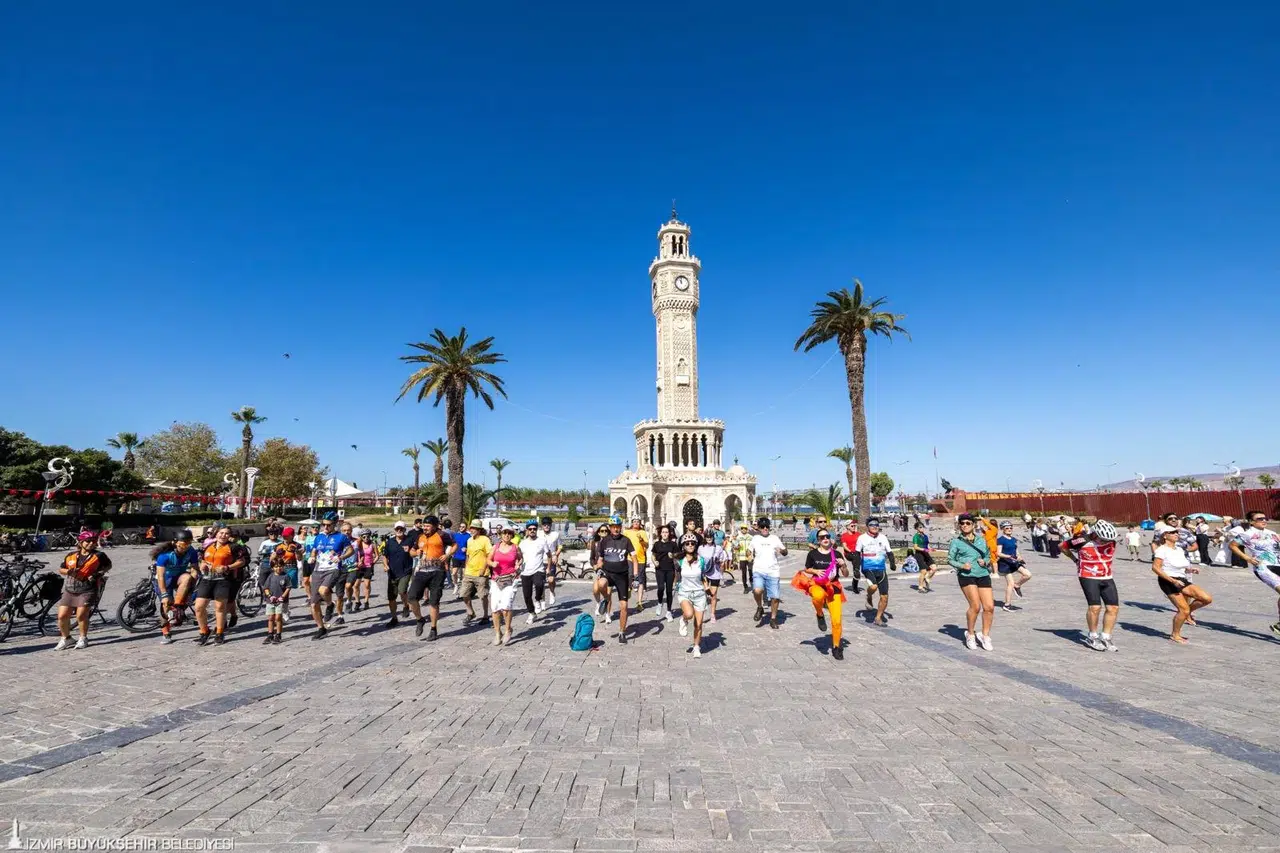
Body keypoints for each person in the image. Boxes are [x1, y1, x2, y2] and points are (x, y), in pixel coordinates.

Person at [1062, 520, 1121, 652]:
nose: (1106, 542)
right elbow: (1063, 546)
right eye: (1103, 539)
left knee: (1113, 608)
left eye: (1108, 540)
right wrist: (1075, 560)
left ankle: (1106, 637)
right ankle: (1092, 636)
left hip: (1107, 576)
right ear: (1095, 534)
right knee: (1095, 607)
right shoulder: (1081, 540)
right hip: (1088, 576)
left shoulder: (1112, 541)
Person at [1152, 528, 1213, 644]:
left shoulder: (1179, 549)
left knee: (1206, 598)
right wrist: (1172, 580)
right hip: (1168, 581)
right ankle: (1175, 635)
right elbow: (1155, 568)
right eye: (1173, 533)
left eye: (1177, 532)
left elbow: (1179, 565)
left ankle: (1187, 612)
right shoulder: (1161, 550)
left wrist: (1190, 570)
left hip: (1182, 579)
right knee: (1183, 610)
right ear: (1165, 536)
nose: (1176, 534)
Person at [54, 531, 113, 650]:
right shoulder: (71, 555)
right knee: (62, 616)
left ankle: (83, 638)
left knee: (81, 616)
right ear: (81, 542)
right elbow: (61, 569)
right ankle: (66, 638)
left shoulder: (99, 555)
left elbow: (108, 565)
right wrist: (69, 572)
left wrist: (99, 573)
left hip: (87, 589)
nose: (91, 544)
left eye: (94, 541)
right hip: (70, 589)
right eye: (88, 541)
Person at [947, 513, 994, 651]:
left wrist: (984, 561)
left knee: (989, 607)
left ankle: (985, 635)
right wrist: (962, 565)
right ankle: (971, 634)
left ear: (973, 525)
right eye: (962, 523)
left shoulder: (981, 540)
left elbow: (988, 555)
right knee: (975, 606)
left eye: (968, 523)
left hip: (983, 574)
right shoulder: (956, 542)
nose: (965, 525)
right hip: (966, 575)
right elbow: (950, 559)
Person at [1229, 510, 1280, 635]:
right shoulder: (1247, 534)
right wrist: (1247, 558)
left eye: (1265, 518)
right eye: (1260, 519)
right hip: (1264, 567)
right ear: (1251, 522)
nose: (1264, 521)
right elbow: (1232, 545)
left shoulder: (1272, 533)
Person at [193, 526, 246, 645]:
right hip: (207, 578)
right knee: (199, 607)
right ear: (216, 534)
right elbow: (202, 557)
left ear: (230, 536)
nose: (223, 535)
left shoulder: (233, 547)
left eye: (227, 534)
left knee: (220, 607)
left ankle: (220, 632)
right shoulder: (208, 545)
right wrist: (202, 564)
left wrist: (227, 567)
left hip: (223, 580)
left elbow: (242, 561)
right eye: (221, 533)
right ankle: (204, 631)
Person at [800, 529, 847, 660]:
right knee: (818, 597)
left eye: (827, 536)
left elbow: (846, 574)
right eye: (822, 537)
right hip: (817, 584)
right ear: (818, 540)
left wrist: (843, 566)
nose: (825, 538)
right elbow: (807, 569)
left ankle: (837, 647)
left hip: (834, 587)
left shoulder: (837, 554)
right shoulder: (813, 554)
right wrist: (815, 570)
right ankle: (820, 614)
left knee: (837, 620)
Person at [408, 515, 455, 640]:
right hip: (422, 571)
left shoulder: (442, 535)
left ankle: (433, 629)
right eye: (424, 525)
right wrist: (416, 552)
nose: (425, 528)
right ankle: (420, 619)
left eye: (428, 526)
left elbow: (454, 545)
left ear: (434, 526)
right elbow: (411, 552)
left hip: (437, 572)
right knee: (411, 597)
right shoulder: (420, 537)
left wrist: (447, 555)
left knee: (434, 602)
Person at [308, 518, 353, 639]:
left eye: (328, 525)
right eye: (324, 525)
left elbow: (351, 550)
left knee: (323, 591)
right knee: (313, 604)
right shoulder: (319, 537)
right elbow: (314, 550)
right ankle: (321, 628)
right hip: (318, 570)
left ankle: (329, 604)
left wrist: (341, 557)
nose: (326, 527)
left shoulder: (341, 537)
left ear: (334, 525)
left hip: (333, 568)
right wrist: (312, 557)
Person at [595, 515, 638, 643]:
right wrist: (598, 568)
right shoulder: (605, 541)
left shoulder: (626, 540)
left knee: (624, 606)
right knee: (601, 584)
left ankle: (622, 632)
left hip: (622, 575)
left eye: (618, 527)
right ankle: (606, 600)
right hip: (608, 572)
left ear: (621, 527)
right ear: (610, 527)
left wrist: (635, 576)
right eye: (613, 527)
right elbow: (601, 558)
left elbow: (634, 559)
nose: (616, 529)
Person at [154, 530, 199, 642]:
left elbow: (194, 568)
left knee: (187, 577)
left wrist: (192, 583)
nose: (186, 546)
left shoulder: (191, 551)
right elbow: (160, 576)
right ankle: (166, 632)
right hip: (164, 580)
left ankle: (177, 606)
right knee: (165, 606)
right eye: (183, 544)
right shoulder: (165, 555)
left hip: (179, 578)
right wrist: (164, 594)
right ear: (175, 543)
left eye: (189, 543)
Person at [675, 534, 712, 657]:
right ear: (683, 546)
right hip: (685, 593)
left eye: (692, 543)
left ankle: (696, 646)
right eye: (687, 543)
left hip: (699, 593)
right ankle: (683, 619)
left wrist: (707, 587)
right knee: (689, 614)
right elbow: (677, 577)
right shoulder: (680, 561)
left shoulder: (700, 560)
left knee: (699, 623)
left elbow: (703, 576)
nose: (690, 545)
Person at [749, 517, 787, 629]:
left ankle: (773, 619)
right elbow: (749, 550)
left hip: (773, 571)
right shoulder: (755, 538)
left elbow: (785, 552)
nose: (765, 529)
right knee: (757, 590)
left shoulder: (774, 538)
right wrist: (749, 554)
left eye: (767, 527)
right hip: (758, 570)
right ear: (759, 528)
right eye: (762, 527)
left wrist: (782, 551)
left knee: (775, 597)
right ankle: (760, 607)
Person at [855, 518, 892, 627]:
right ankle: (869, 596)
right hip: (868, 567)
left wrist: (892, 563)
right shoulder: (862, 538)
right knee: (873, 587)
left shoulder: (883, 537)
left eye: (876, 524)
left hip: (881, 569)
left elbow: (889, 551)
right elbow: (857, 554)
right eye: (872, 525)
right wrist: (856, 569)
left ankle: (878, 618)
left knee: (885, 596)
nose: (875, 526)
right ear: (867, 526)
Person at [488, 526, 521, 645]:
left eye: (509, 534)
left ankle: (508, 630)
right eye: (504, 533)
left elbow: (521, 558)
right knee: (495, 607)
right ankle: (498, 633)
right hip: (496, 580)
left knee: (506, 606)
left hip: (510, 579)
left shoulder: (515, 547)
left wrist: (518, 565)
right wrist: (492, 563)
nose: (506, 535)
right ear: (501, 535)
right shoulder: (495, 547)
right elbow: (488, 559)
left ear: (512, 535)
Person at [381, 521, 415, 627]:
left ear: (405, 530)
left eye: (401, 529)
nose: (399, 531)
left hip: (405, 571)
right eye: (397, 529)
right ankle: (394, 618)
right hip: (392, 573)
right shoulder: (389, 542)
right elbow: (385, 556)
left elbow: (415, 552)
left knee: (402, 590)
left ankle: (406, 605)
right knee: (391, 598)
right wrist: (385, 565)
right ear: (394, 530)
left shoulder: (410, 541)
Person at [459, 519, 492, 626]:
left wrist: (484, 568)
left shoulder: (485, 540)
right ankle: (470, 612)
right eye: (471, 528)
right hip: (469, 572)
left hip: (481, 573)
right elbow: (468, 555)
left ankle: (486, 616)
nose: (472, 530)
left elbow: (489, 555)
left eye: (474, 528)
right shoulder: (469, 540)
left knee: (483, 595)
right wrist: (466, 568)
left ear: (479, 530)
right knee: (464, 594)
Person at [517, 520, 551, 625]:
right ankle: (532, 613)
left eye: (534, 529)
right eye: (530, 529)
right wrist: (517, 565)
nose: (532, 531)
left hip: (539, 569)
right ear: (527, 530)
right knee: (527, 595)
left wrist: (548, 568)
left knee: (539, 584)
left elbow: (549, 555)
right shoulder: (522, 543)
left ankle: (537, 600)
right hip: (525, 571)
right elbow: (520, 557)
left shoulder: (542, 541)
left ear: (537, 530)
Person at [995, 521, 1031, 611]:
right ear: (1002, 529)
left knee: (1028, 574)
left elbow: (1016, 551)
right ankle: (1007, 605)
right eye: (1007, 528)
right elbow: (998, 553)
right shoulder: (1000, 540)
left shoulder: (1014, 539)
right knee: (1010, 584)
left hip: (1014, 562)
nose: (1009, 530)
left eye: (1011, 528)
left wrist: (1019, 557)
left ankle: (1017, 585)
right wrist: (1008, 556)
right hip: (1005, 564)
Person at [650, 524, 679, 621]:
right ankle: (659, 602)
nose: (665, 534)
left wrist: (673, 556)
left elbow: (678, 556)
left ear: (669, 533)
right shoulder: (657, 544)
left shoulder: (673, 544)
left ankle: (669, 611)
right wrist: (654, 562)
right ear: (660, 534)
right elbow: (653, 556)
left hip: (670, 569)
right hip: (660, 569)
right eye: (663, 532)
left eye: (666, 532)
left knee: (669, 591)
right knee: (661, 588)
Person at [622, 518, 650, 613]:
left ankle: (639, 602)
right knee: (630, 574)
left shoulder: (642, 532)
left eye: (638, 522)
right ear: (632, 523)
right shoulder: (627, 532)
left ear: (640, 524)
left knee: (641, 580)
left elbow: (647, 546)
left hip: (641, 559)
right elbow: (622, 543)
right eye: (634, 522)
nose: (636, 523)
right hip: (630, 558)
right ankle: (629, 587)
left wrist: (642, 540)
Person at [697, 534, 727, 621]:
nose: (709, 538)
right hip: (704, 573)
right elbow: (697, 560)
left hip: (715, 574)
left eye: (710, 537)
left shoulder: (718, 548)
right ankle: (703, 612)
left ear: (713, 538)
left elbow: (722, 561)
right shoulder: (700, 548)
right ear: (705, 538)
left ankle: (713, 614)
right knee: (704, 593)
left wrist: (718, 561)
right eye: (707, 537)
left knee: (713, 595)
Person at [261, 555, 290, 644]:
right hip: (271, 601)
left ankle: (278, 634)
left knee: (278, 617)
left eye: (280, 566)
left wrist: (283, 597)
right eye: (276, 567)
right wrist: (269, 596)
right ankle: (270, 634)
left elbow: (288, 588)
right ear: (273, 568)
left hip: (280, 601)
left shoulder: (285, 576)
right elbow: (266, 588)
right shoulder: (270, 576)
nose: (278, 568)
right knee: (270, 618)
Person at [540, 516, 562, 606]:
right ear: (542, 526)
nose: (546, 526)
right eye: (544, 524)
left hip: (551, 559)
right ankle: (542, 601)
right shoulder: (538, 534)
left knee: (551, 580)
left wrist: (556, 555)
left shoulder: (555, 534)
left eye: (548, 524)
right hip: (540, 560)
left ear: (551, 525)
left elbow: (560, 546)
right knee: (540, 583)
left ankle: (552, 592)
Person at [447, 519, 470, 597]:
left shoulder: (469, 536)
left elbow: (471, 547)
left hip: (464, 557)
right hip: (456, 556)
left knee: (464, 575)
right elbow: (452, 545)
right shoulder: (455, 535)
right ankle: (456, 585)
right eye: (460, 526)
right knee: (454, 573)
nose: (461, 528)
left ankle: (463, 588)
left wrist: (467, 549)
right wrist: (451, 553)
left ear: (466, 528)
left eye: (463, 527)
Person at [911, 522, 935, 593]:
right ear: (917, 529)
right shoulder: (916, 536)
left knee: (934, 568)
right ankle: (920, 587)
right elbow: (915, 547)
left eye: (922, 527)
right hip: (919, 554)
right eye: (920, 527)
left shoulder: (925, 536)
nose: (922, 528)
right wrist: (924, 549)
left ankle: (927, 578)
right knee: (923, 571)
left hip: (926, 553)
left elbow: (927, 545)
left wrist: (930, 549)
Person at [839, 520, 862, 594]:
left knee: (856, 564)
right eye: (852, 526)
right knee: (856, 557)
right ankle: (856, 571)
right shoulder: (844, 535)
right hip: (848, 553)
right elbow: (845, 546)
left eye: (855, 526)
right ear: (847, 527)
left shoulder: (858, 534)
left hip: (857, 554)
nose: (854, 527)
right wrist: (851, 551)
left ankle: (855, 584)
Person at [730, 522, 753, 594]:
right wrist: (736, 547)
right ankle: (745, 587)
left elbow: (754, 546)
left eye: (745, 528)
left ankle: (752, 583)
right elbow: (735, 547)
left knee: (751, 571)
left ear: (747, 529)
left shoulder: (751, 537)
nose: (743, 530)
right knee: (744, 572)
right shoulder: (738, 538)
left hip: (749, 557)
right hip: (742, 557)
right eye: (742, 528)